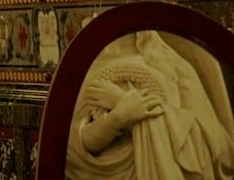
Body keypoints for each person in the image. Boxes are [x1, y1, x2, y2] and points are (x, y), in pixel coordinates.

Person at [66, 29, 234, 179]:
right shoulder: (85, 70)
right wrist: (117, 118)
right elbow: (75, 149)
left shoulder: (173, 67)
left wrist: (124, 103)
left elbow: (208, 141)